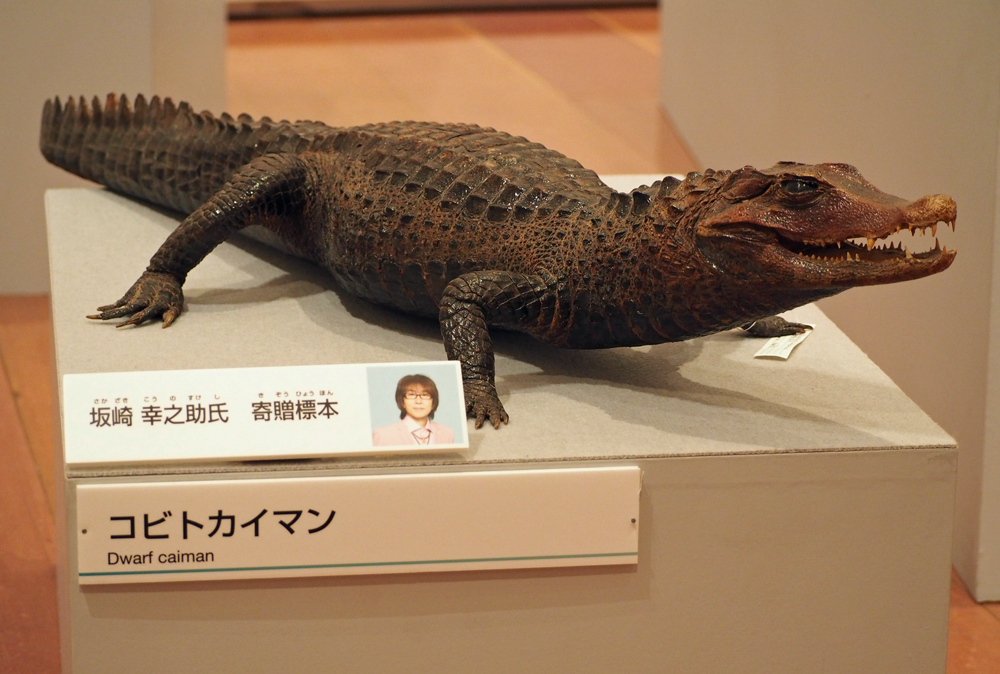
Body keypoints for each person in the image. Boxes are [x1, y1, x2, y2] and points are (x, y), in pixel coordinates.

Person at [372, 374, 455, 446]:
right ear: (402, 401)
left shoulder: (447, 433)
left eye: (425, 395)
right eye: (411, 395)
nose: (418, 401)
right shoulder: (383, 435)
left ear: (433, 401)